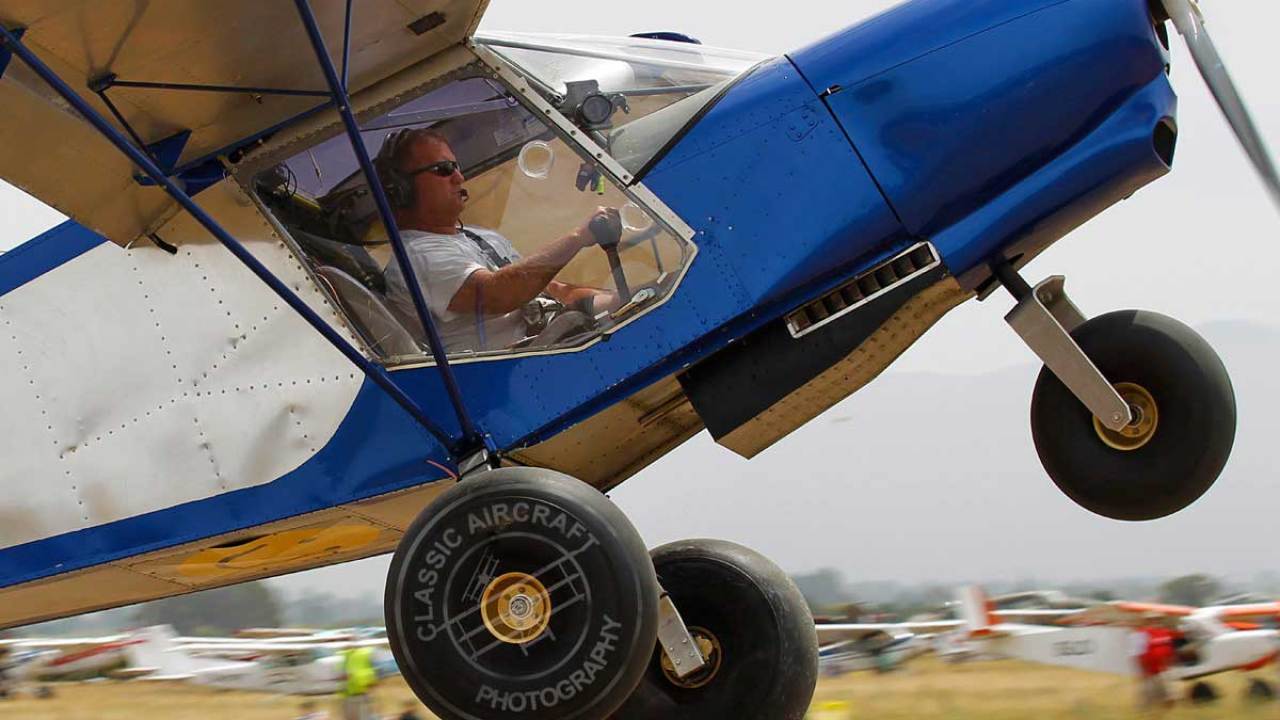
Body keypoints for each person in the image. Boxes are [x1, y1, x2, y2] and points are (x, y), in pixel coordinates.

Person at [375, 127, 620, 354]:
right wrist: (579, 238)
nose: (459, 177)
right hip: (513, 371)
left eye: (456, 166)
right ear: (402, 189)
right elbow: (497, 293)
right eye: (443, 169)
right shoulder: (417, 257)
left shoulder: (478, 236)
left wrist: (615, 300)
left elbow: (549, 289)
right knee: (575, 322)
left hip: (554, 342)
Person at [338, 646, 378, 720]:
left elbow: (371, 674)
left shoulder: (365, 653)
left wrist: (354, 676)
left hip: (361, 693)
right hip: (349, 694)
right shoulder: (342, 655)